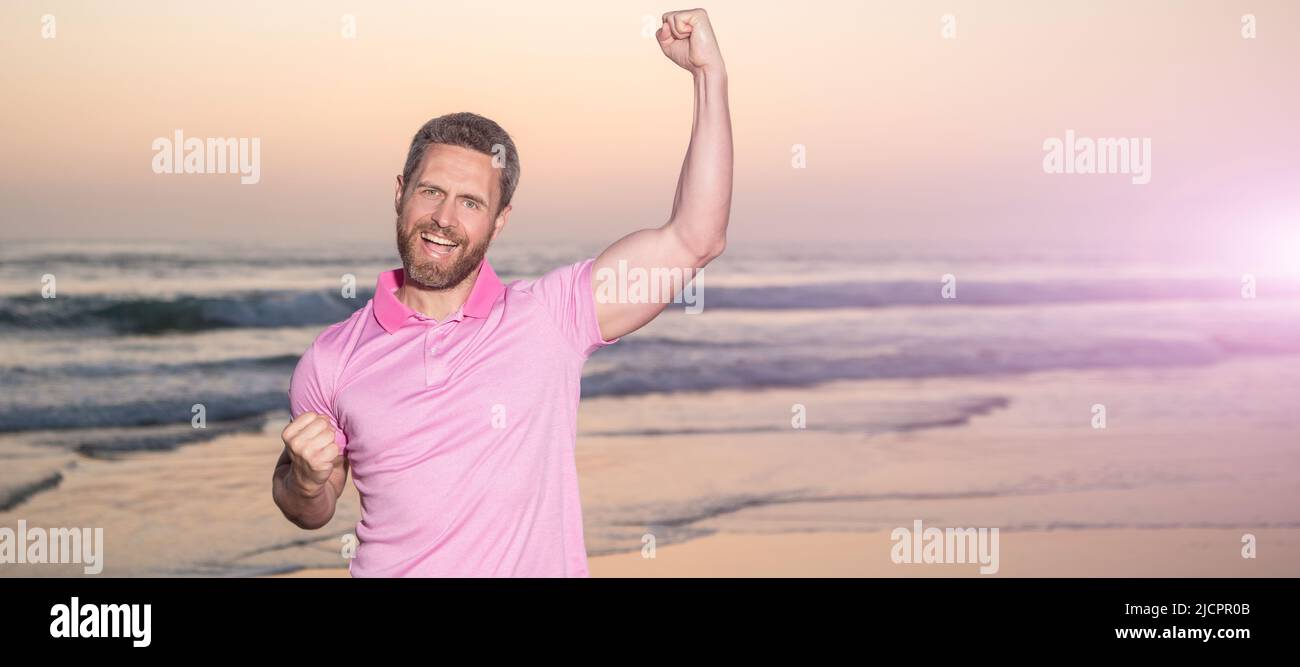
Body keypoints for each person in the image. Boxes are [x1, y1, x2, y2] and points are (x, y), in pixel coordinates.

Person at [271, 9, 732, 576]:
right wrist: (307, 476)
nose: (443, 218)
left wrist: (708, 74)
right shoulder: (331, 359)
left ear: (500, 219)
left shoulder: (553, 316)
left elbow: (695, 239)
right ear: (400, 193)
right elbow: (307, 509)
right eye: (431, 191)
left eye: (470, 202)